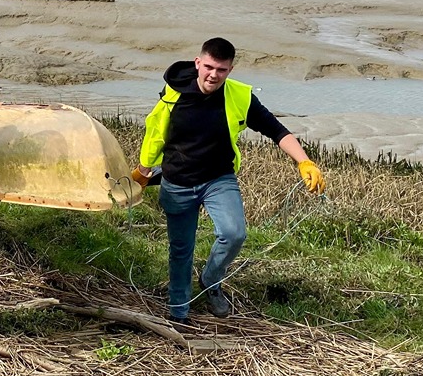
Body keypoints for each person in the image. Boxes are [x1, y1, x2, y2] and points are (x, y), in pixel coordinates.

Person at [133, 37, 325, 322]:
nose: (213, 75)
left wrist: (305, 161)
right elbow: (156, 133)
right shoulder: (173, 94)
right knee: (181, 250)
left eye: (221, 70)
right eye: (209, 67)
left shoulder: (240, 97)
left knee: (235, 233)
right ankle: (179, 311)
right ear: (198, 63)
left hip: (217, 179)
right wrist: (143, 170)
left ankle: (210, 281)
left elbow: (277, 131)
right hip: (178, 181)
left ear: (230, 69)